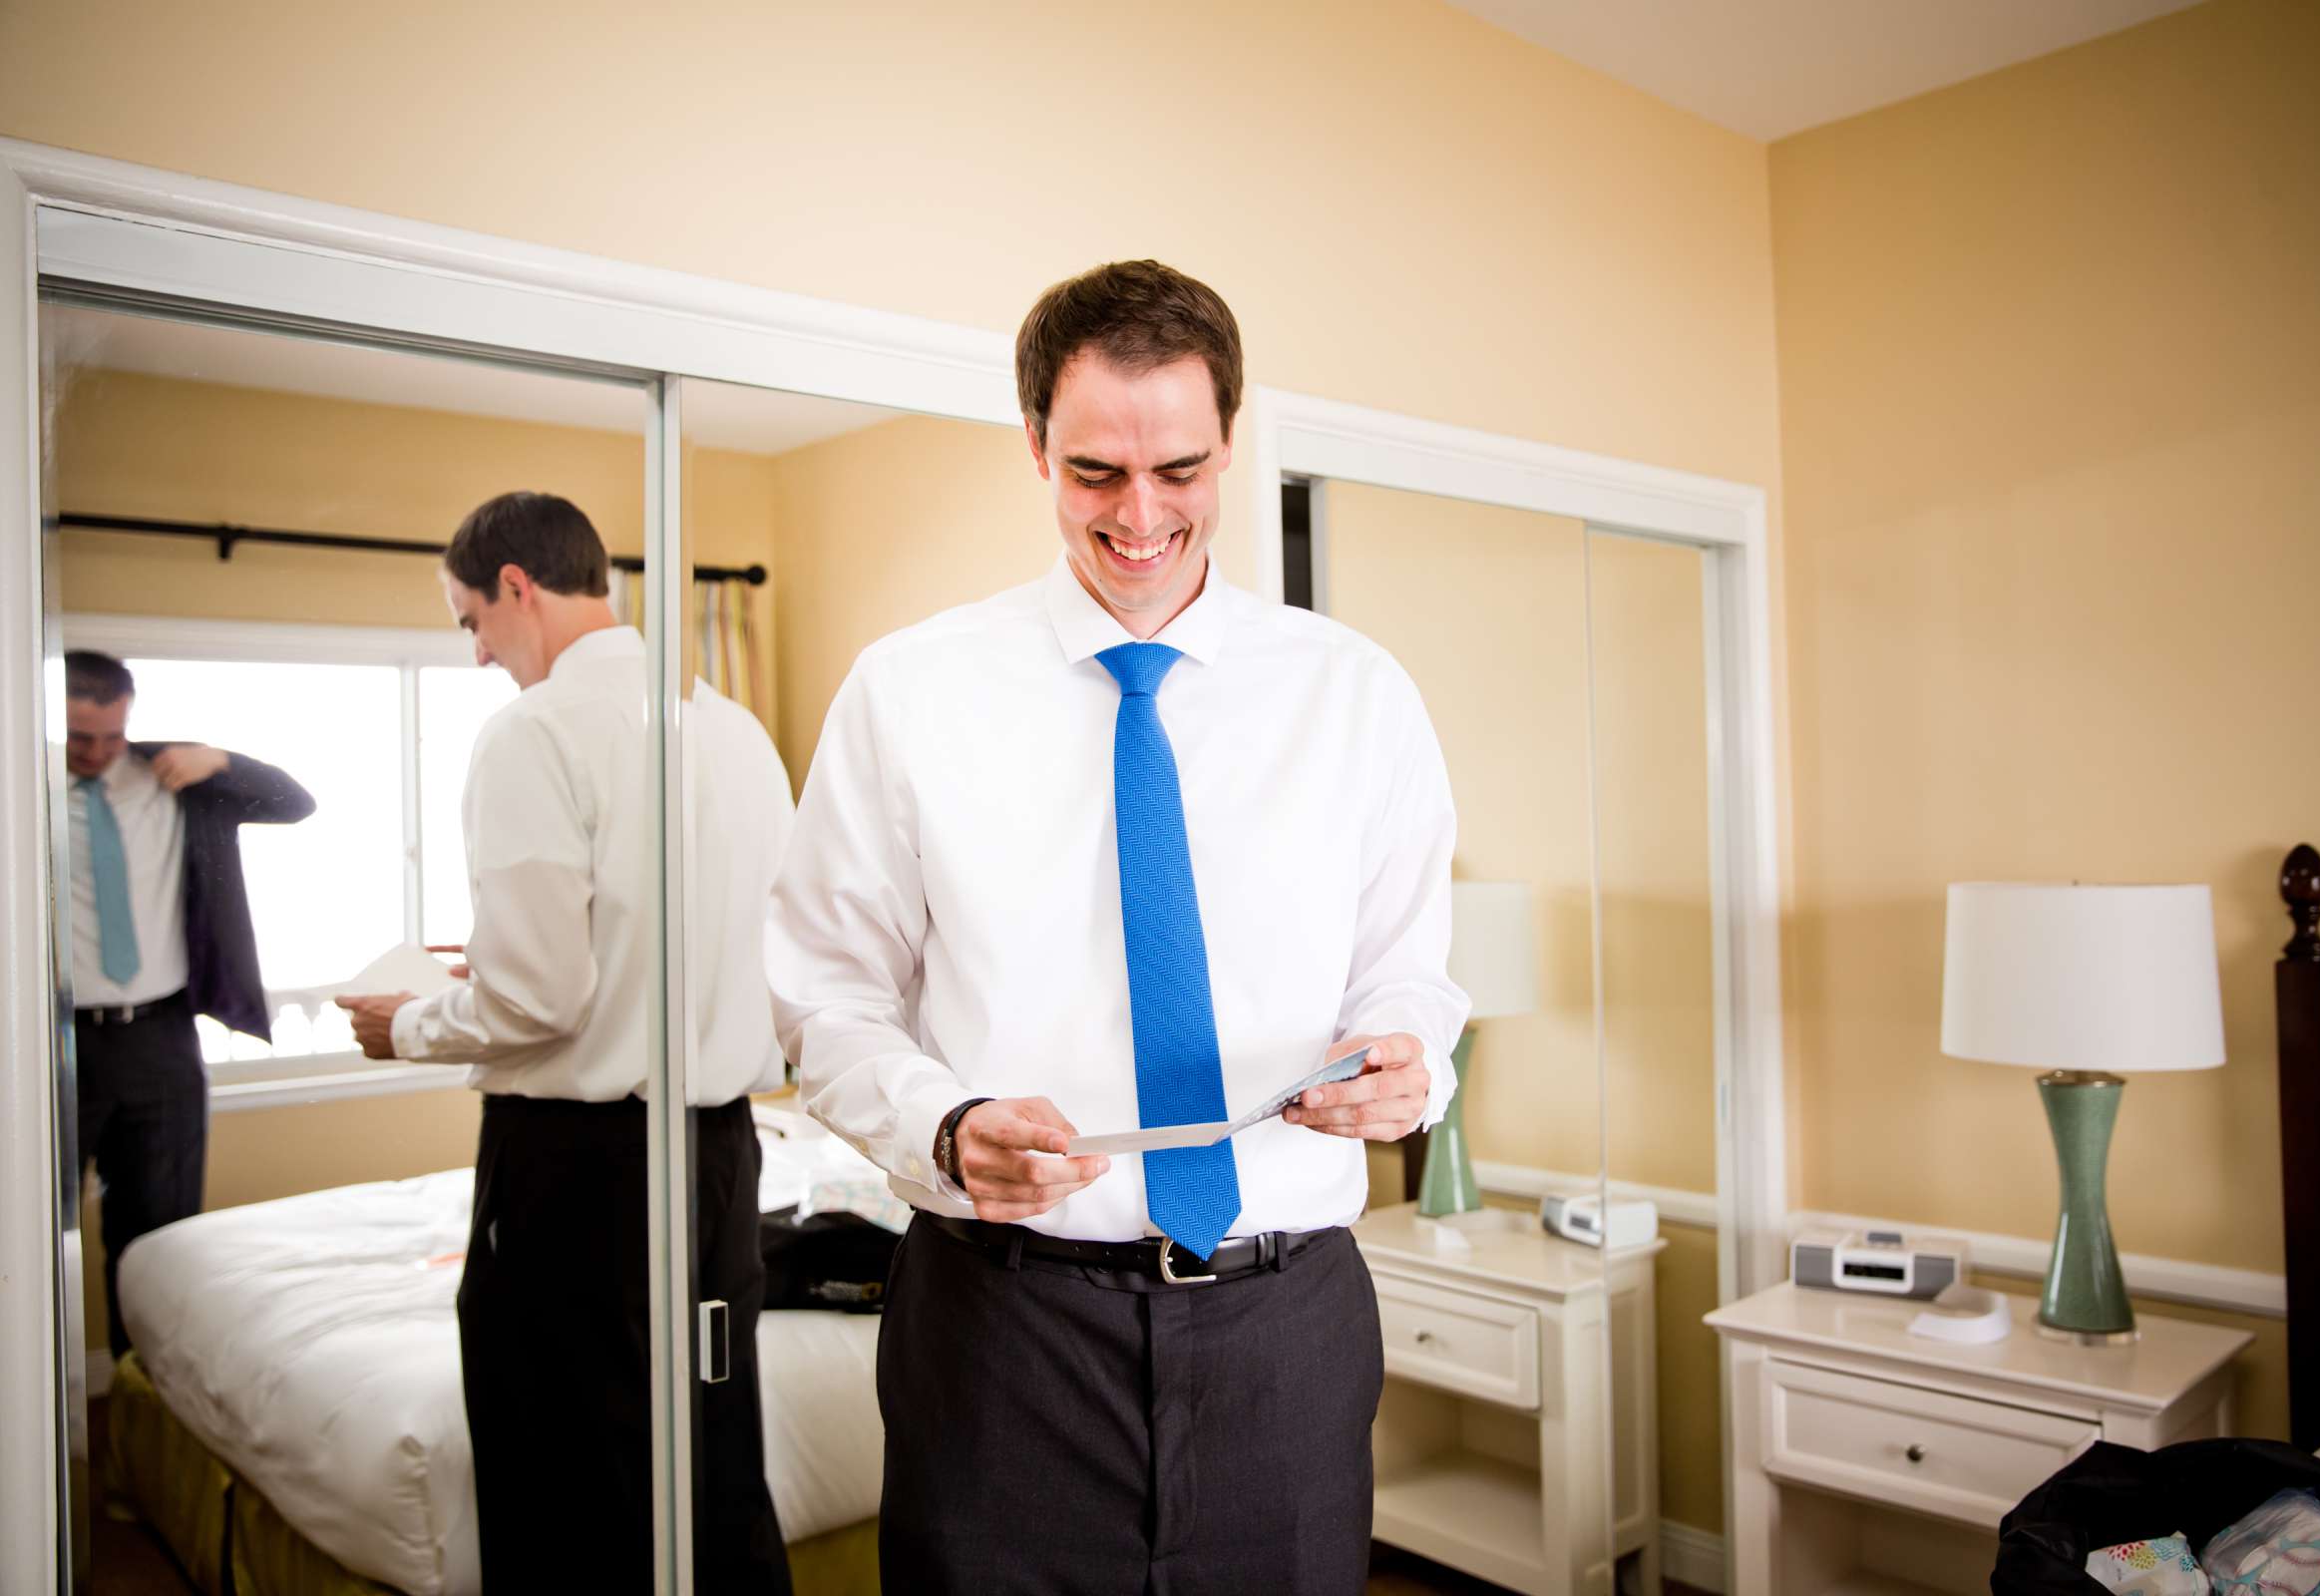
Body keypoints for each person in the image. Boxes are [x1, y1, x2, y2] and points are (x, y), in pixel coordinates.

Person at [766, 259, 1471, 1594]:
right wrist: (943, 1128)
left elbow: (1411, 975)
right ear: (1034, 445)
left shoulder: (1357, 696)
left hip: (1287, 1328)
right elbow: (824, 1000)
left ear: (1226, 446)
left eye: (1181, 470)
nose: (1141, 515)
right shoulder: (908, 693)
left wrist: (1406, 1061)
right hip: (1001, 1331)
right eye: (1094, 472)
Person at [337, 493, 793, 1595]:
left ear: (515, 588)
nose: (479, 652)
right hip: (721, 1157)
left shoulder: (534, 734)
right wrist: (497, 969)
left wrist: (413, 1024)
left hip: (579, 1174)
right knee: (710, 1452)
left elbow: (539, 998)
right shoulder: (733, 731)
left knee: (557, 1467)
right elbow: (713, 949)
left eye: (470, 623)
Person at [63, 649, 315, 1360]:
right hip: (55, 1041)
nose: (97, 752)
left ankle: (147, 1401)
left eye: (111, 735)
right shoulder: (22, 786)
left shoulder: (172, 777)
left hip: (162, 1038)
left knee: (160, 1239)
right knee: (39, 1235)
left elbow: (296, 802)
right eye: (80, 738)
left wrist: (222, 761)